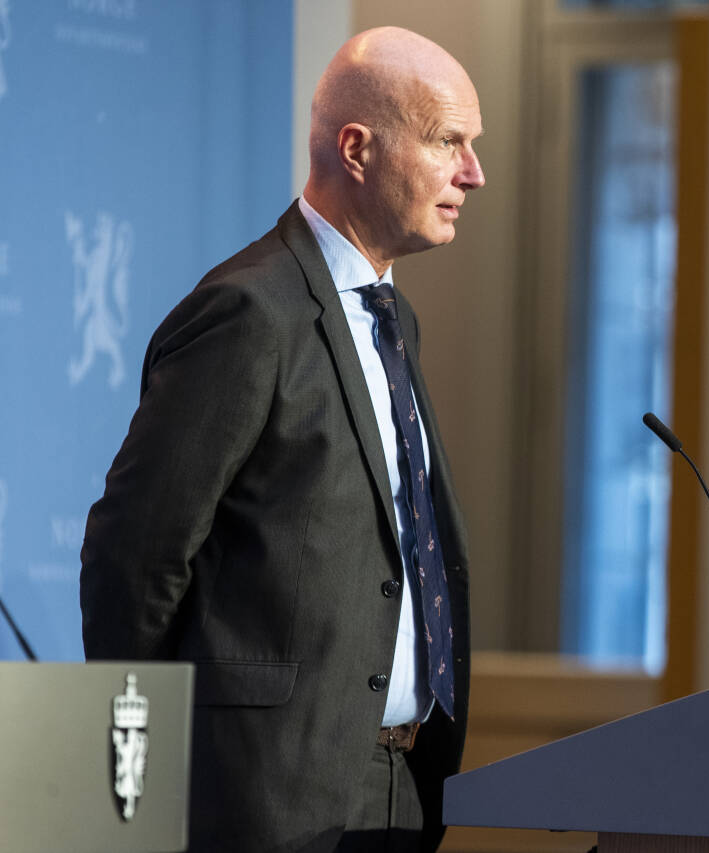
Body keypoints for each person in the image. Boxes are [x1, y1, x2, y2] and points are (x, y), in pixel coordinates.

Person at [80, 27, 484, 852]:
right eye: (449, 141)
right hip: (263, 800)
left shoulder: (392, 317)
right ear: (358, 149)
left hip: (401, 791)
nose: (473, 172)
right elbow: (136, 556)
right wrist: (144, 785)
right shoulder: (249, 313)